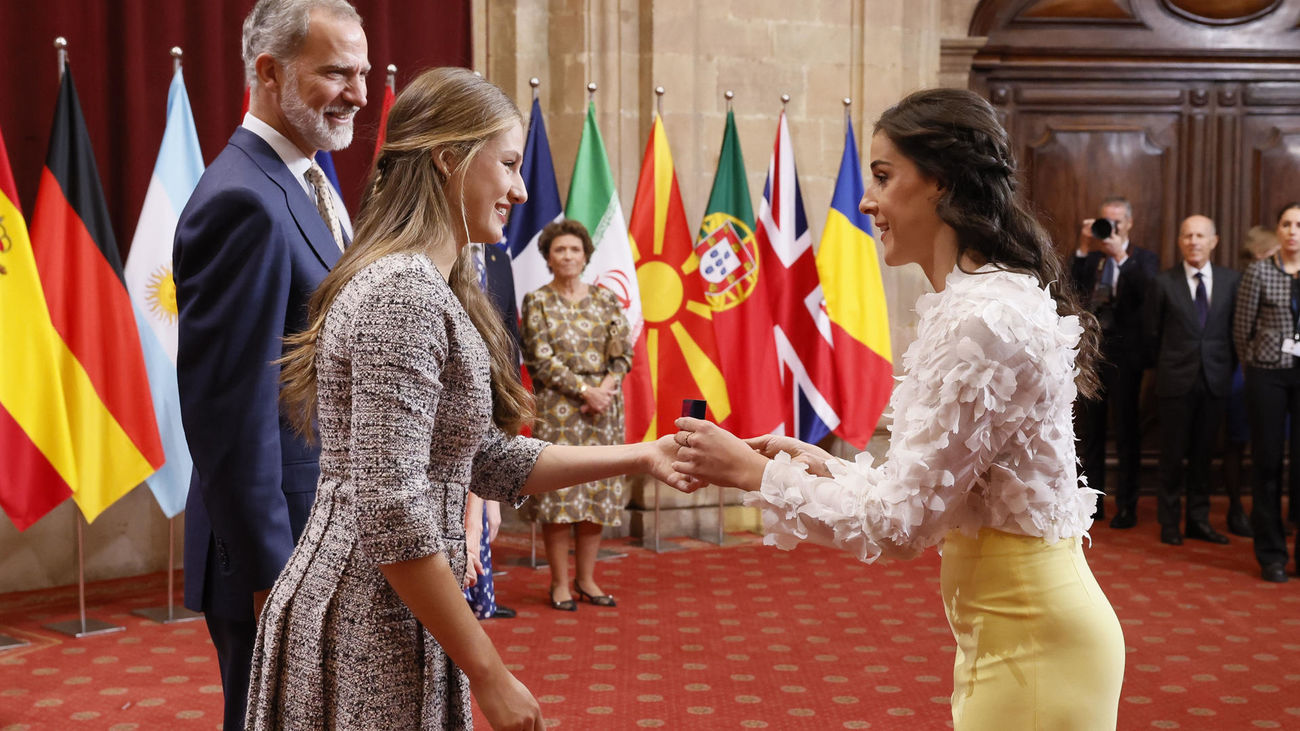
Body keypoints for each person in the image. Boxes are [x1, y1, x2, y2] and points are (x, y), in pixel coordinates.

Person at [668, 88, 1124, 730]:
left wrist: (752, 474)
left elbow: (902, 527)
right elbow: (935, 488)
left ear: (939, 182)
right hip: (1013, 632)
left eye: (883, 176)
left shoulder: (984, 319)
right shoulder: (977, 306)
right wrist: (821, 466)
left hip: (1035, 643)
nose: (865, 200)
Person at [244, 67, 678, 730]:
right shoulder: (405, 293)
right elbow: (391, 509)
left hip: (399, 606)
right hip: (369, 614)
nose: (522, 187)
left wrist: (645, 456)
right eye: (507, 164)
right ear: (449, 158)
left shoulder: (428, 285)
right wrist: (490, 673)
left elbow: (486, 459)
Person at [172, 1, 367, 727]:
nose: (360, 93)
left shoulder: (308, 181)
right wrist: (273, 578)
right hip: (279, 559)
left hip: (325, 541)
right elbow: (230, 415)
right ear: (268, 71)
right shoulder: (242, 200)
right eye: (337, 73)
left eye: (364, 72)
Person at [518, 220, 633, 611]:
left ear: (586, 256)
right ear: (548, 257)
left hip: (603, 410)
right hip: (560, 409)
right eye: (560, 250)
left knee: (595, 495)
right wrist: (585, 391)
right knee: (560, 496)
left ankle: (587, 579)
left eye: (574, 250)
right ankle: (560, 583)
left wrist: (604, 390)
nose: (567, 256)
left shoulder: (606, 299)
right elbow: (539, 357)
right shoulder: (537, 301)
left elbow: (623, 353)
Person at [1143, 215, 1238, 545]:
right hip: (1174, 381)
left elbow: (1235, 334)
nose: (1193, 241)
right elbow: (1151, 336)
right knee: (1172, 455)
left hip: (1215, 380)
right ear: (1180, 241)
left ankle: (1198, 519)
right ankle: (1169, 523)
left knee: (1203, 456)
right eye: (1187, 235)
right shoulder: (1163, 283)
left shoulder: (1231, 281)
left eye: (1200, 235)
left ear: (1214, 241)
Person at [1071, 196, 1159, 528]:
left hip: (1126, 358)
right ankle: (1092, 502)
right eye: (1106, 221)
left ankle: (1127, 505)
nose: (1111, 228)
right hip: (1092, 356)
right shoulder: (1090, 258)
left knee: (1126, 432)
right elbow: (1070, 288)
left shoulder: (1143, 259)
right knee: (1089, 432)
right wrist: (1082, 245)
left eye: (1117, 222)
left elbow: (1146, 292)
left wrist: (1120, 256)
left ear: (1130, 224)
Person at [1233, 202, 1300, 583]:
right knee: (1268, 462)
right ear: (1278, 231)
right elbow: (1242, 330)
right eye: (1286, 224)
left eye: (1298, 225)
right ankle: (1271, 554)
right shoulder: (1260, 271)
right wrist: (1254, 362)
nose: (1292, 231)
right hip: (1267, 374)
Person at [463, 240, 523, 621]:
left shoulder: (499, 255)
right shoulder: (429, 259)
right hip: (456, 399)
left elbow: (508, 334)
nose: (518, 193)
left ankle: (479, 594)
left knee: (481, 519)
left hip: (490, 396)